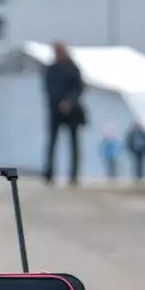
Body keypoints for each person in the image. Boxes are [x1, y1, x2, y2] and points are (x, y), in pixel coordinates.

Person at [43, 41, 86, 185]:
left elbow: (78, 88)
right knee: (52, 142)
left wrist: (69, 102)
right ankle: (49, 173)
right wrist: (58, 102)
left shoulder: (72, 68)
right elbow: (48, 88)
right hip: (55, 110)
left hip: (72, 111)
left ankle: (73, 175)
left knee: (73, 143)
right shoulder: (51, 69)